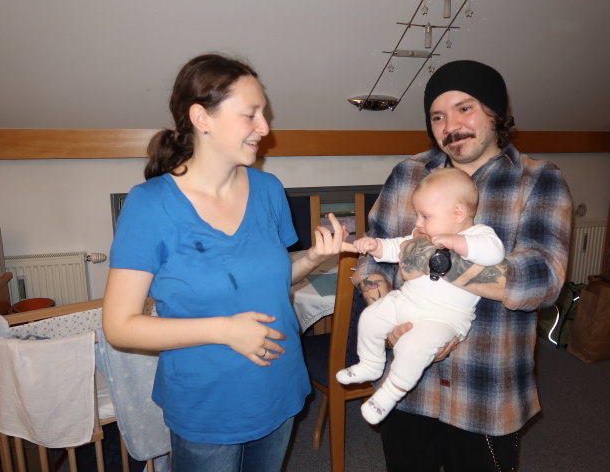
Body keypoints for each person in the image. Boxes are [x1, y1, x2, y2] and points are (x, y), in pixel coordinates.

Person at [102, 53, 350, 472]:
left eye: (264, 114)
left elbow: (270, 281)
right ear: (202, 118)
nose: (265, 128)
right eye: (250, 115)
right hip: (207, 404)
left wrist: (311, 258)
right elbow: (119, 326)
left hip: (279, 385)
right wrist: (224, 330)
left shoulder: (268, 189)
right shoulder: (150, 205)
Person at [353, 60, 572, 471]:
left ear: (495, 113)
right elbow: (371, 264)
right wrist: (390, 323)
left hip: (485, 392)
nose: (450, 125)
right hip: (406, 388)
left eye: (464, 108)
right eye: (437, 116)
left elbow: (541, 280)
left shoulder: (539, 180)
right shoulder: (408, 174)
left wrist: (433, 261)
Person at [337, 168, 505, 425]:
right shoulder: (422, 235)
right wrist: (376, 246)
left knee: (412, 348)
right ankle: (371, 363)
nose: (417, 223)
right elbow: (397, 246)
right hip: (406, 301)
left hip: (445, 320)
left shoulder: (479, 234)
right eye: (417, 215)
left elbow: (494, 253)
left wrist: (453, 241)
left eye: (425, 216)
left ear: (458, 213)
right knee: (370, 317)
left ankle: (389, 395)